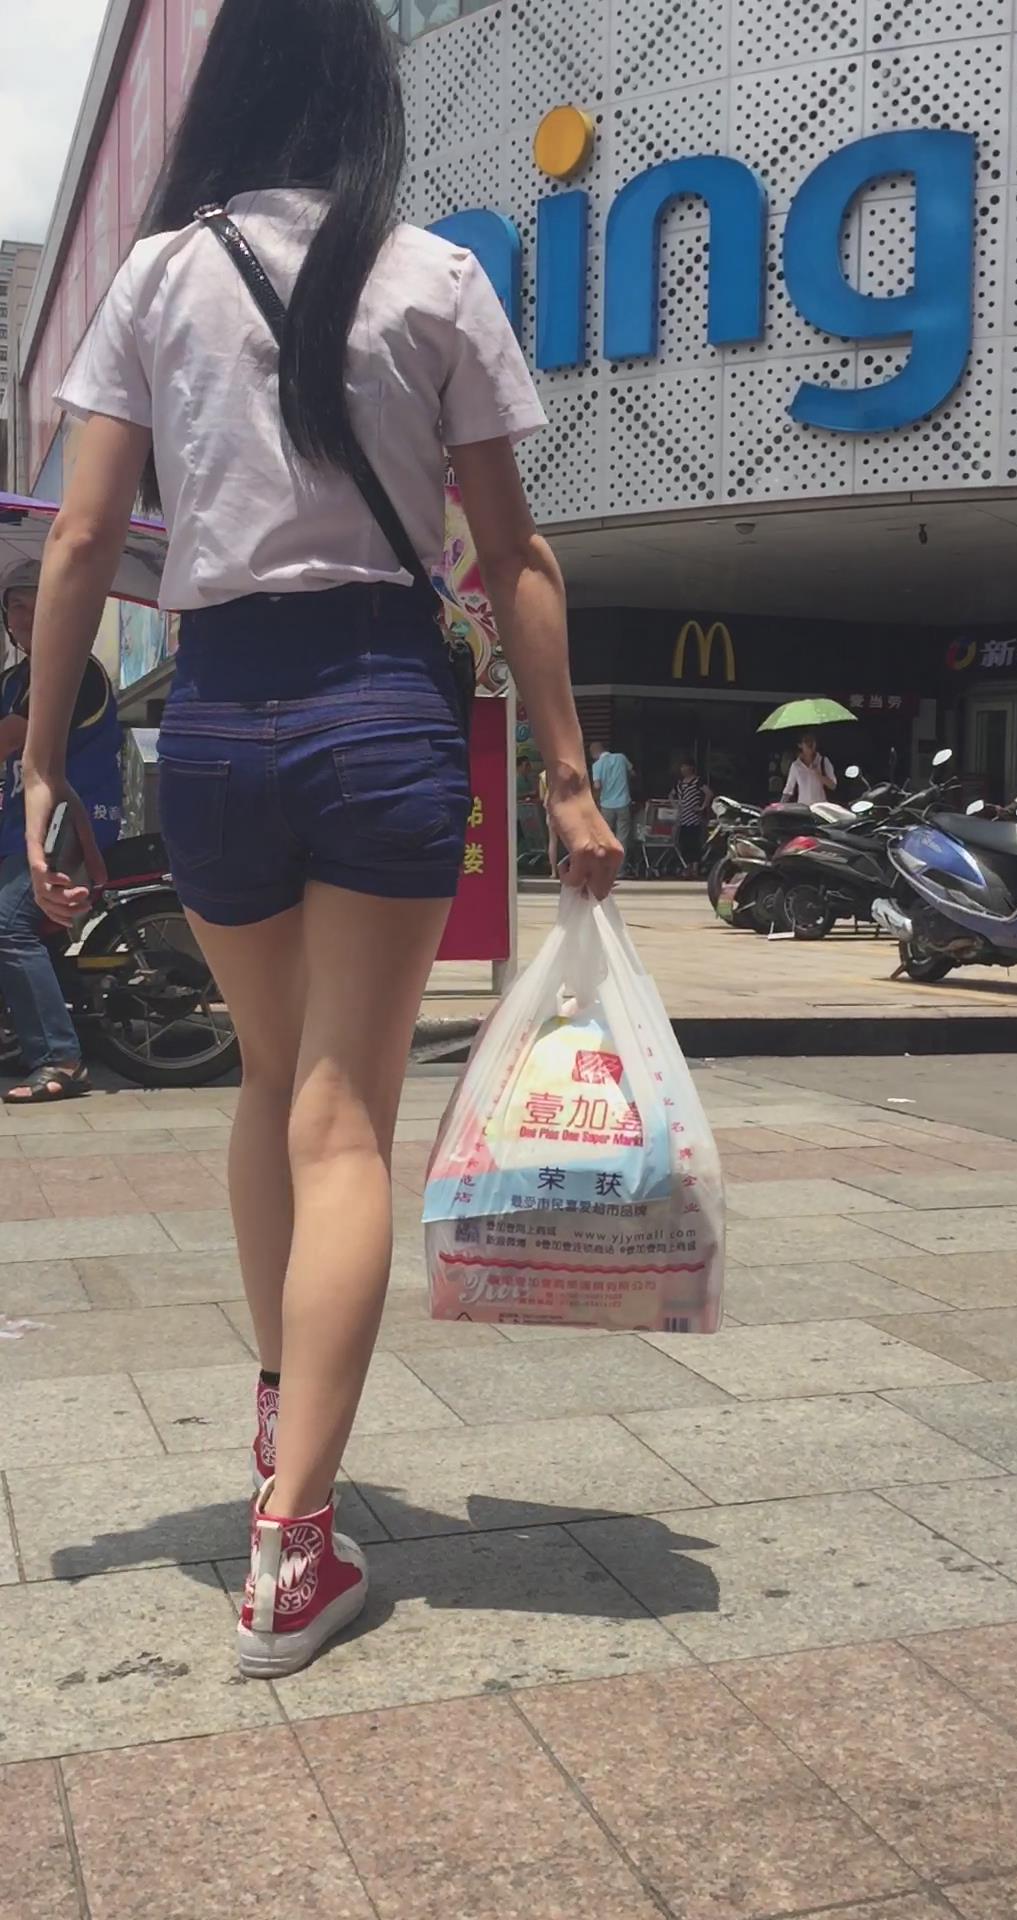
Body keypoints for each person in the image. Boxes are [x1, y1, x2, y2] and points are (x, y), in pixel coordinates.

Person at [21, 0, 620, 1679]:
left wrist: (44, 757)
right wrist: (570, 777)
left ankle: (281, 1431)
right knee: (346, 1116)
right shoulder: (433, 277)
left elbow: (81, 540)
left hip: (214, 717)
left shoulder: (157, 274)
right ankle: (295, 1546)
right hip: (381, 708)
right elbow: (515, 556)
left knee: (270, 1087)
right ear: (364, 93)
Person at [0, 561, 121, 1103]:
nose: (26, 616)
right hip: (20, 828)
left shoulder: (75, 670)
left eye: (38, 603)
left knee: (8, 926)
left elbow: (11, 738)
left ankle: (61, 1059)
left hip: (71, 829)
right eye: (16, 606)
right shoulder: (15, 680)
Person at [590, 738, 633, 866]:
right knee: (622, 837)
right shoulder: (621, 758)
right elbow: (632, 773)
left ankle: (606, 867)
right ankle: (620, 869)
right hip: (623, 803)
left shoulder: (596, 765)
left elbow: (597, 786)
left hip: (606, 806)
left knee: (606, 837)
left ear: (594, 752)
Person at [670, 757, 712, 876]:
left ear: (691, 768)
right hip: (682, 818)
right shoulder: (679, 783)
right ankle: (686, 866)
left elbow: (709, 793)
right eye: (681, 767)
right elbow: (671, 795)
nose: (683, 769)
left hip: (694, 818)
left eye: (685, 766)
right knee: (683, 842)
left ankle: (695, 867)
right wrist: (675, 805)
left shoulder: (698, 781)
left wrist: (702, 807)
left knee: (694, 842)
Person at [782, 732, 837, 806]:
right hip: (803, 807)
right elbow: (788, 789)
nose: (810, 744)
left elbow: (833, 786)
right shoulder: (796, 766)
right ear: (800, 745)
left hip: (821, 807)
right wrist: (779, 806)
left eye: (812, 741)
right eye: (806, 741)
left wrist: (818, 774)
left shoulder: (823, 761)